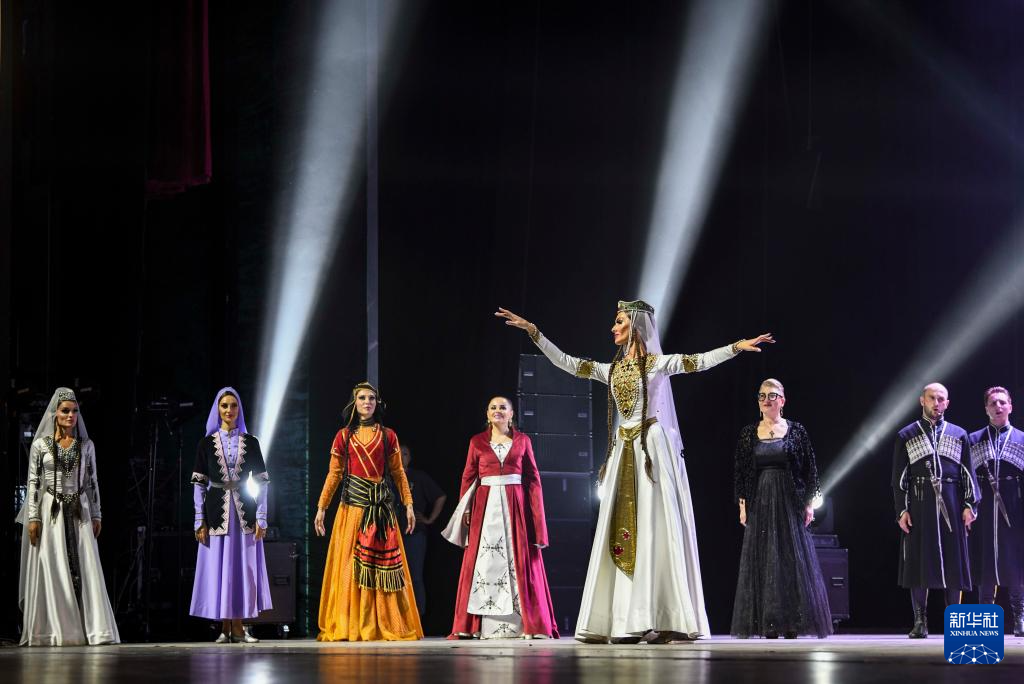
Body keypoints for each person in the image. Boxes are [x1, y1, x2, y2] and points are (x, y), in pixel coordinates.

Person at [496, 302, 772, 643]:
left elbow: (699, 361)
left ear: (636, 327)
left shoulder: (657, 364)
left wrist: (736, 346)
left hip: (650, 450)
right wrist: (534, 332)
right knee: (619, 531)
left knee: (656, 529)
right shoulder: (611, 369)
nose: (613, 328)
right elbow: (568, 362)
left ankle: (664, 616)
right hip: (623, 449)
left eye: (619, 322)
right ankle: (621, 619)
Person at [443, 396, 559, 639]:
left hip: (515, 506)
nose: (498, 410)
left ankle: (531, 625)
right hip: (485, 507)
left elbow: (533, 479)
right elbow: (468, 477)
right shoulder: (476, 441)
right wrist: (466, 509)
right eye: (493, 407)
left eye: (503, 407)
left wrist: (536, 516)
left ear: (511, 413)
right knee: (483, 561)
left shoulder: (523, 441)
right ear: (487, 413)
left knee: (520, 560)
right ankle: (473, 626)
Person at [314, 382, 423, 641]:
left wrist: (408, 504)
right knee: (350, 566)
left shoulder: (388, 435)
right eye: (362, 398)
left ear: (377, 403)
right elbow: (334, 474)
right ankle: (351, 623)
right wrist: (321, 507)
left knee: (381, 566)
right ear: (354, 403)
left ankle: (383, 621)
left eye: (372, 398)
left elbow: (398, 473)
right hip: (352, 509)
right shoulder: (343, 436)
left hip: (381, 511)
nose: (367, 402)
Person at [17, 387, 119, 645]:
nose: (71, 415)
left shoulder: (86, 445)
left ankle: (92, 629)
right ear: (55, 413)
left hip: (79, 509)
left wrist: (97, 513)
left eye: (74, 411)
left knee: (85, 565)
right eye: (65, 411)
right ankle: (54, 629)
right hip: (50, 508)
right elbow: (33, 482)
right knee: (53, 564)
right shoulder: (40, 445)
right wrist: (33, 517)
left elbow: (93, 482)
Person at [731, 378, 832, 639]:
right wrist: (743, 506)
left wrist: (809, 504)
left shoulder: (796, 431)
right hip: (761, 501)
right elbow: (741, 473)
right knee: (765, 560)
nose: (767, 400)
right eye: (762, 396)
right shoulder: (748, 433)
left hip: (789, 501)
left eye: (772, 395)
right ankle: (769, 623)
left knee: (790, 561)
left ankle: (792, 622)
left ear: (783, 401)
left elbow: (810, 470)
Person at [892, 382, 978, 638]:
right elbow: (899, 477)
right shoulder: (907, 434)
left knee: (954, 562)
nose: (937, 403)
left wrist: (969, 504)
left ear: (947, 403)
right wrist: (902, 510)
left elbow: (968, 473)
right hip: (920, 503)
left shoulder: (959, 434)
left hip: (952, 501)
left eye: (941, 399)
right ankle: (920, 621)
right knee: (919, 562)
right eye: (932, 398)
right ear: (922, 400)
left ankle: (955, 621)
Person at [189, 387, 272, 643]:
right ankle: (225, 627)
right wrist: (199, 519)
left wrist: (261, 516)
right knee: (221, 569)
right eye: (224, 406)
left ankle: (239, 626)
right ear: (218, 409)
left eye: (233, 406)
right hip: (216, 513)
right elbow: (199, 484)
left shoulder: (251, 442)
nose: (229, 410)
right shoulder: (206, 443)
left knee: (243, 569)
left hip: (244, 513)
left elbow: (263, 482)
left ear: (239, 410)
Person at [968, 386, 1024, 636]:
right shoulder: (973, 439)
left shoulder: (1021, 439)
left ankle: (1019, 617)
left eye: (1002, 402)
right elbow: (966, 478)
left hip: (1015, 504)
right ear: (986, 409)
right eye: (993, 403)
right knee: (985, 560)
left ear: (1010, 406)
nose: (998, 406)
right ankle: (985, 617)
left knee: (1016, 560)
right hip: (984, 503)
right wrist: (969, 507)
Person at [395, 444, 447, 619]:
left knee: (414, 575)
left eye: (405, 453)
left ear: (410, 458)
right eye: (397, 453)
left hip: (414, 534)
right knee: (393, 577)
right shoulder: (386, 477)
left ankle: (417, 617)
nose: (401, 456)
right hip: (391, 535)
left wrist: (430, 519)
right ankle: (396, 616)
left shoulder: (418, 477)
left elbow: (440, 496)